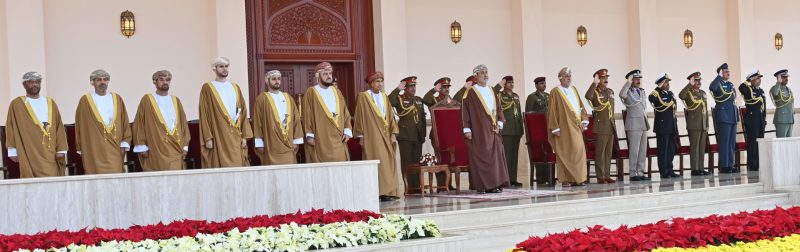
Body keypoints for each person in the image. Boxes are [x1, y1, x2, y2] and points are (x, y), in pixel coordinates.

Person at [5, 71, 68, 177]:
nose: (35, 85)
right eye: (31, 82)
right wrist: (13, 151)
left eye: (37, 82)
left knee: (52, 180)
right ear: (24, 84)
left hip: (50, 151)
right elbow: (11, 127)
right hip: (29, 150)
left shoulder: (50, 102)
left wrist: (61, 149)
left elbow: (59, 127)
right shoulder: (17, 104)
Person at [463, 64, 509, 193]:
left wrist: (500, 124)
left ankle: (496, 184)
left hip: (494, 130)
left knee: (496, 156)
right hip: (479, 130)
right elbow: (465, 111)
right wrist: (467, 129)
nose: (485, 75)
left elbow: (499, 108)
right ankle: (484, 185)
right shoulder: (471, 91)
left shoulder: (492, 90)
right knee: (483, 156)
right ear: (476, 76)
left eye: (486, 72)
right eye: (482, 72)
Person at [75, 69, 132, 174]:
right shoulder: (85, 100)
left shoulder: (116, 98)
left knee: (116, 176)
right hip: (94, 147)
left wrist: (125, 143)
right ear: (93, 82)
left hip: (115, 147)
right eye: (99, 80)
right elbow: (80, 126)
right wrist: (81, 146)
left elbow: (124, 121)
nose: (102, 82)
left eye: (105, 79)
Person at [199, 57, 253, 168]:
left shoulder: (235, 87)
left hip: (236, 134)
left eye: (226, 66)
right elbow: (204, 113)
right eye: (221, 66)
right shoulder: (208, 88)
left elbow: (243, 111)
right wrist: (208, 137)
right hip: (218, 134)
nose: (224, 69)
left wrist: (244, 136)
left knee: (238, 164)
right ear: (215, 69)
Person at [132, 70, 191, 171]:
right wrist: (141, 146)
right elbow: (139, 124)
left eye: (168, 80)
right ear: (155, 82)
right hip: (156, 147)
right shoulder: (147, 100)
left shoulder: (175, 100)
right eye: (161, 80)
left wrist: (185, 145)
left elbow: (183, 123)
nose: (165, 82)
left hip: (176, 147)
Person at [355, 71, 400, 201]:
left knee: (389, 162)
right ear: (371, 84)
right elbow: (359, 117)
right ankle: (377, 192)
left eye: (381, 81)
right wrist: (361, 137)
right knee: (377, 162)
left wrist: (393, 134)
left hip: (386, 135)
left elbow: (390, 116)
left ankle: (390, 191)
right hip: (372, 136)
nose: (380, 84)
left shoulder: (385, 96)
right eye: (377, 82)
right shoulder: (363, 97)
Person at [547, 67, 589, 186]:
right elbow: (552, 111)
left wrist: (584, 119)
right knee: (564, 153)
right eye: (566, 76)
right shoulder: (555, 91)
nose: (569, 78)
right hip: (563, 127)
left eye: (570, 75)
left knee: (579, 150)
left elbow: (581, 106)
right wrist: (554, 127)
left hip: (576, 126)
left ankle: (579, 178)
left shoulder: (574, 89)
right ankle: (566, 179)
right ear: (560, 78)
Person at [302, 62, 352, 162]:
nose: (329, 76)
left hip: (339, 138)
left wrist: (347, 130)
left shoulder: (337, 91)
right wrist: (310, 135)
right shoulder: (311, 92)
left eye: (330, 74)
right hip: (321, 139)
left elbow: (345, 112)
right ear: (318, 76)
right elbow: (307, 115)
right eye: (325, 74)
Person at [253, 70, 303, 165]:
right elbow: (257, 122)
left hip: (288, 143)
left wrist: (297, 140)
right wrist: (259, 143)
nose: (277, 81)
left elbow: (296, 119)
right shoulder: (262, 99)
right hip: (271, 144)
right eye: (274, 79)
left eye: (279, 79)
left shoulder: (288, 97)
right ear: (267, 81)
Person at [389, 76, 426, 192]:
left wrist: (423, 134)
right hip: (405, 136)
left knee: (417, 162)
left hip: (417, 136)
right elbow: (389, 100)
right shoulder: (399, 98)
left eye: (414, 86)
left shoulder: (419, 100)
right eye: (410, 86)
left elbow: (422, 119)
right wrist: (397, 89)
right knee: (407, 162)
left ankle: (417, 186)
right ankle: (408, 187)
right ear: (405, 88)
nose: (413, 88)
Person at [585, 69, 616, 184]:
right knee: (600, 153)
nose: (606, 80)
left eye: (606, 77)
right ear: (598, 79)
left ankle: (607, 175)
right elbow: (587, 96)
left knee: (608, 153)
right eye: (603, 78)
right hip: (601, 126)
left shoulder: (610, 91)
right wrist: (594, 83)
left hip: (610, 125)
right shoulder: (595, 92)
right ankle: (600, 176)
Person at [619, 69, 650, 181]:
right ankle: (633, 173)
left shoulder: (641, 91)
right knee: (634, 150)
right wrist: (627, 82)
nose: (638, 81)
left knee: (642, 150)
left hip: (642, 123)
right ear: (631, 80)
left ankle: (640, 172)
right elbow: (621, 94)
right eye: (635, 79)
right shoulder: (627, 91)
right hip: (633, 124)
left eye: (638, 79)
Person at [493, 76, 524, 187]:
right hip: (506, 130)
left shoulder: (516, 96)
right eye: (508, 82)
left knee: (514, 156)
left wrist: (521, 129)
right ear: (504, 84)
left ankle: (513, 178)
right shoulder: (500, 95)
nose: (511, 84)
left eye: (512, 82)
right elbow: (493, 92)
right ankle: (505, 179)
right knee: (506, 156)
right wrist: (499, 85)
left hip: (516, 129)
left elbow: (519, 113)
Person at [678, 72, 710, 176]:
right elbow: (681, 95)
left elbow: (705, 110)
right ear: (692, 82)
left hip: (703, 124)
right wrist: (689, 85)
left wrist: (707, 124)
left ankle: (701, 168)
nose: (699, 82)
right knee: (695, 147)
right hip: (694, 124)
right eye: (696, 80)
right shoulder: (688, 93)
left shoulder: (703, 93)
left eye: (699, 80)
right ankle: (694, 169)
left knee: (701, 148)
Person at [709, 63, 739, 173]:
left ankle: (730, 164)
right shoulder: (718, 84)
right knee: (724, 142)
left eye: (728, 71)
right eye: (725, 72)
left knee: (731, 142)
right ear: (721, 73)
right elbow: (712, 88)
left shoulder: (730, 84)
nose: (728, 73)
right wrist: (718, 76)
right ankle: (724, 165)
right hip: (723, 116)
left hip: (732, 115)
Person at [649, 73, 679, 178]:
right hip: (662, 126)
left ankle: (670, 169)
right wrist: (658, 88)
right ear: (661, 84)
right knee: (662, 150)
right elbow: (651, 98)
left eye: (667, 82)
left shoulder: (670, 94)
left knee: (671, 149)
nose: (667, 84)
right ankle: (663, 171)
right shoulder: (657, 94)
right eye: (665, 82)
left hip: (671, 125)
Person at [525, 76, 551, 185]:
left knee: (548, 151)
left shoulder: (548, 96)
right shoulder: (532, 97)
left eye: (544, 83)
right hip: (538, 129)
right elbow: (529, 115)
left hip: (548, 128)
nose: (543, 85)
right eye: (541, 83)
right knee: (540, 152)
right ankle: (541, 178)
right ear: (536, 85)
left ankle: (549, 177)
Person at [739, 70, 766, 171]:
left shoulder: (761, 91)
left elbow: (764, 107)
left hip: (760, 120)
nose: (759, 80)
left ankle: (759, 163)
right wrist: (748, 81)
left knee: (760, 142)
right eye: (757, 78)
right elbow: (741, 87)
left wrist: (764, 119)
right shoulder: (748, 90)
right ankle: (753, 164)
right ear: (752, 80)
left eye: (760, 78)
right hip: (752, 119)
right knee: (752, 143)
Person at [770, 69, 794, 138]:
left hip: (790, 118)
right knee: (781, 142)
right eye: (784, 77)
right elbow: (775, 93)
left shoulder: (788, 89)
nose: (786, 79)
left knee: (788, 143)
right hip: (781, 119)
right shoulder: (775, 88)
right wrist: (778, 82)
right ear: (779, 78)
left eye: (787, 77)